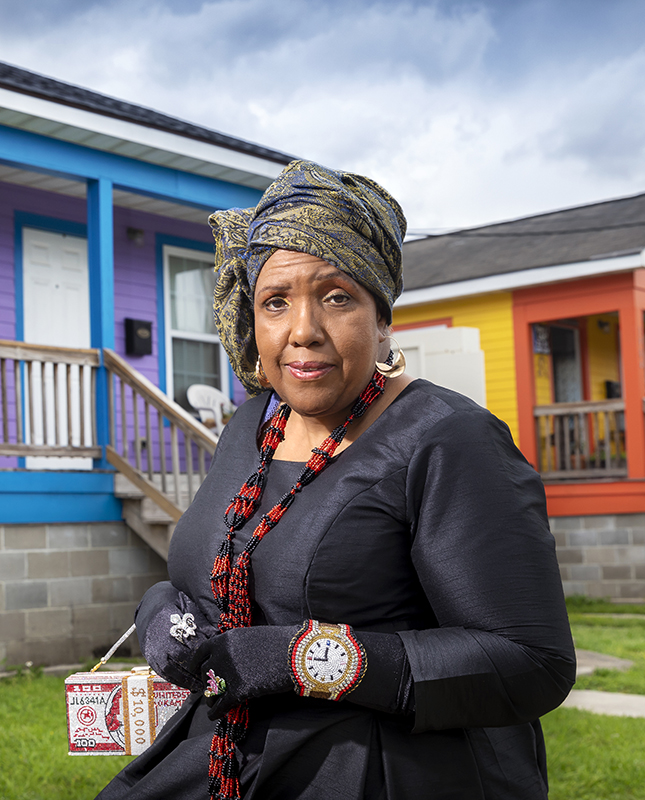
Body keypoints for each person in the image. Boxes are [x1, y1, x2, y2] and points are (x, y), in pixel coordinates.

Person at [97, 161, 575, 800]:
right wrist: (160, 607)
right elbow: (230, 565)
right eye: (275, 302)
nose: (303, 330)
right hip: (224, 759)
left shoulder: (447, 438)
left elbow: (532, 663)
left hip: (380, 773)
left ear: (382, 317)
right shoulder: (252, 426)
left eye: (336, 297)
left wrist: (305, 659)